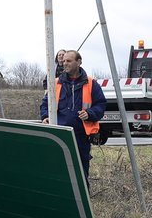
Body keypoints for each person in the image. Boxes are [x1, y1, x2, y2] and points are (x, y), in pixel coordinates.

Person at [40, 50, 106, 187]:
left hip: (81, 136)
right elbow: (45, 104)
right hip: (58, 135)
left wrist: (89, 113)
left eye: (69, 61)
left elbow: (100, 105)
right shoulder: (56, 83)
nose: (65, 63)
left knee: (81, 171)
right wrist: (45, 116)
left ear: (79, 62)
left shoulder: (91, 83)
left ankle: (83, 197)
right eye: (64, 61)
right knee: (58, 171)